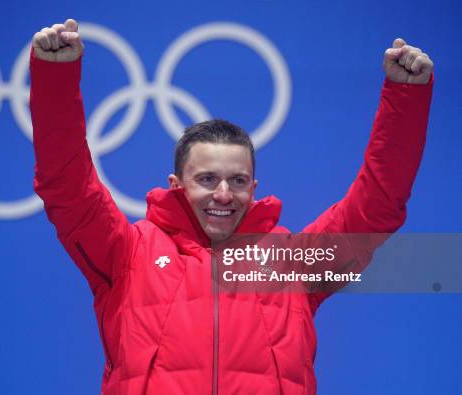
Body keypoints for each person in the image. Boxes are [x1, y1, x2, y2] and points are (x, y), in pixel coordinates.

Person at [29, 19, 433, 394]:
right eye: (207, 179)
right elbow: (67, 186)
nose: (224, 194)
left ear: (254, 188)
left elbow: (377, 205)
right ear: (176, 185)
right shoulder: (127, 252)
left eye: (237, 181)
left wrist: (407, 97)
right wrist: (55, 78)